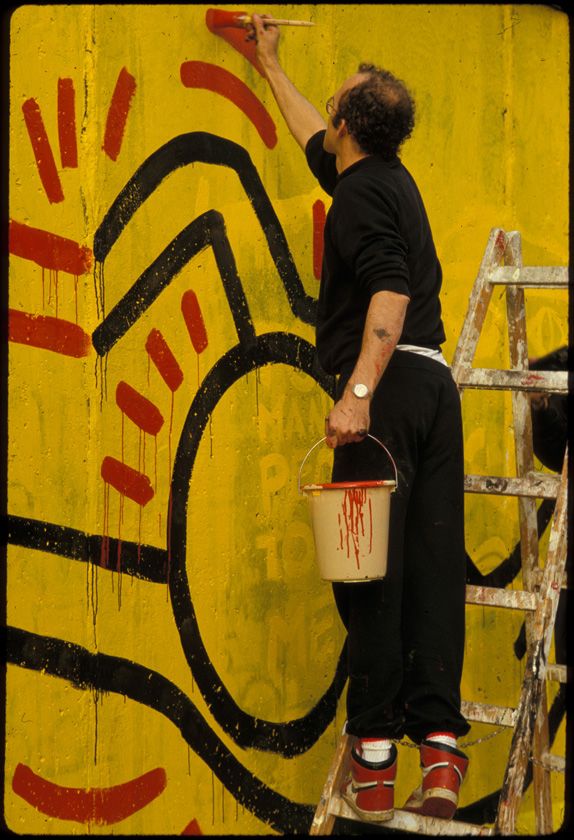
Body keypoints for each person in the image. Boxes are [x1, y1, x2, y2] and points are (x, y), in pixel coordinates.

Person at [251, 15, 470, 822]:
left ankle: (374, 759)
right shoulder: (382, 178)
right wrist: (270, 65)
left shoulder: (357, 197)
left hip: (386, 397)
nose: (329, 108)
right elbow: (312, 136)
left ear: (348, 124)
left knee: (366, 574)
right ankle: (440, 754)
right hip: (434, 390)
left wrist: (358, 394)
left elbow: (389, 289)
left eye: (335, 97)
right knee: (432, 571)